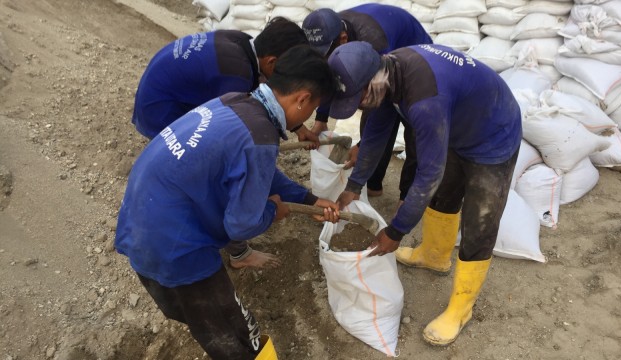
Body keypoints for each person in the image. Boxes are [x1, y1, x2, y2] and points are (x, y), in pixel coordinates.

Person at [115, 45, 339, 359]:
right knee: (236, 334)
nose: (308, 116)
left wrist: (308, 198)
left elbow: (260, 172)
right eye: (312, 107)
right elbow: (242, 223)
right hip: (173, 246)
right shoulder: (260, 135)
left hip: (139, 221)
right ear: (302, 98)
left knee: (195, 313)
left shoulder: (236, 101)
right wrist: (276, 210)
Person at [329, 42, 522, 346]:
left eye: (359, 98)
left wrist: (396, 231)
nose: (360, 105)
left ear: (375, 80)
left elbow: (428, 174)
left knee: (479, 222)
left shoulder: (425, 100)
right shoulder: (387, 80)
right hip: (457, 124)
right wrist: (353, 187)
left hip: (492, 135)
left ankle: (461, 309)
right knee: (444, 195)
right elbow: (376, 136)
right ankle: (434, 257)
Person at [131, 16, 319, 270]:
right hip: (160, 111)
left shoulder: (243, 44)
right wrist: (291, 202)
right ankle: (238, 253)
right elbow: (243, 157)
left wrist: (298, 127)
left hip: (159, 95)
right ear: (271, 62)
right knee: (217, 178)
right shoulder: (237, 79)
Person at [302, 4, 432, 202]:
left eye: (325, 54)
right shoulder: (329, 30)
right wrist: (321, 117)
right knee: (372, 120)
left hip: (415, 56)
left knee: (414, 127)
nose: (323, 58)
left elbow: (382, 110)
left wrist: (363, 146)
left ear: (343, 39)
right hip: (385, 50)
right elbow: (333, 79)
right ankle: (373, 184)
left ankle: (407, 197)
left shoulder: (375, 45)